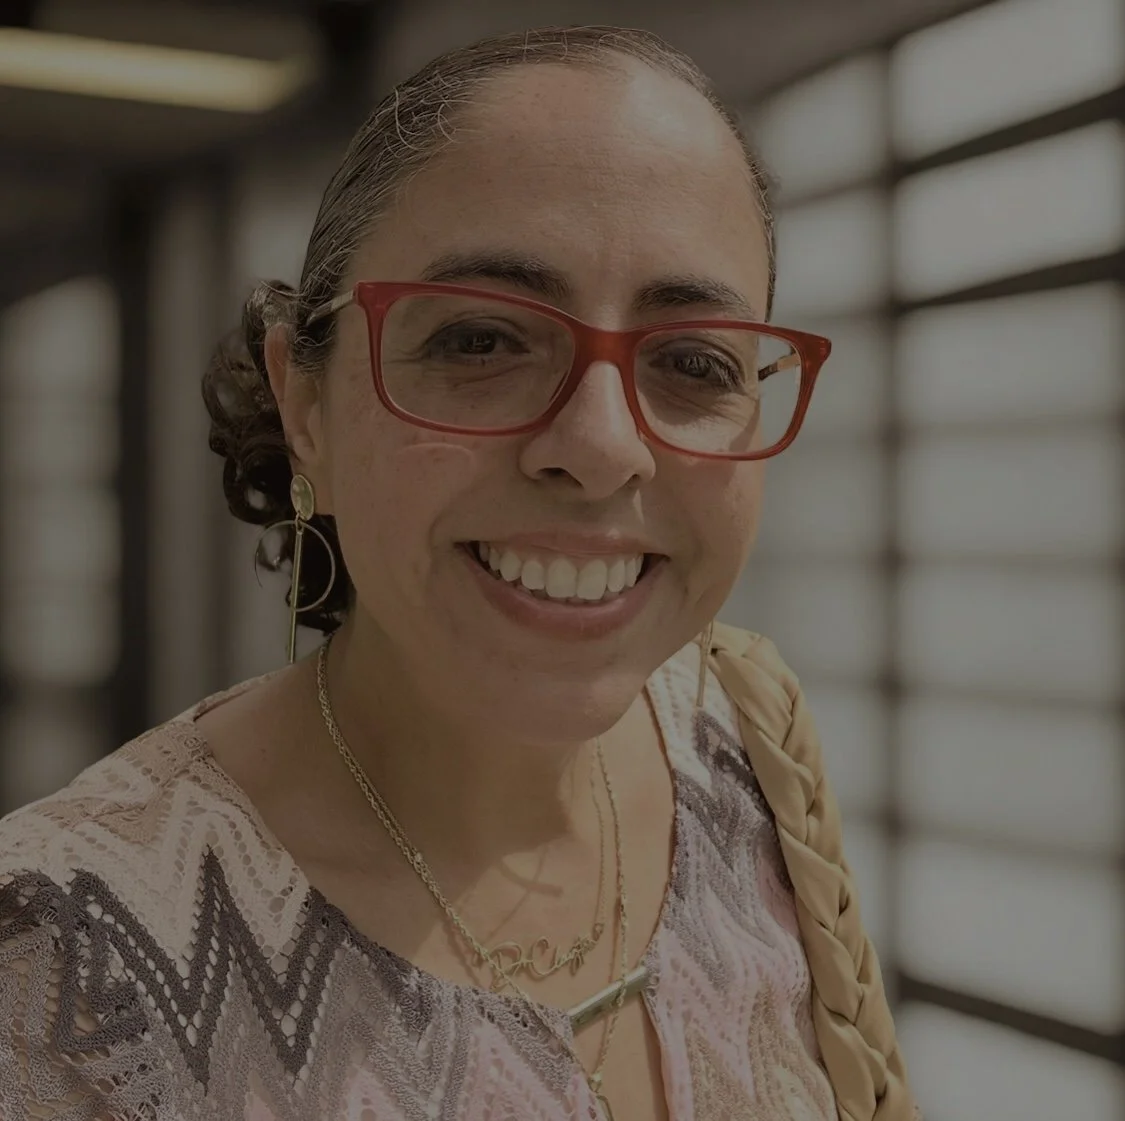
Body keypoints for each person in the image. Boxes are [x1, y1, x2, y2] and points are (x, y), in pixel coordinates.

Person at [0, 25, 921, 1121]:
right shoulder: (61, 958)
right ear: (306, 406)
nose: (600, 445)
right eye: (481, 340)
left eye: (692, 361)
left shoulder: (744, 741)